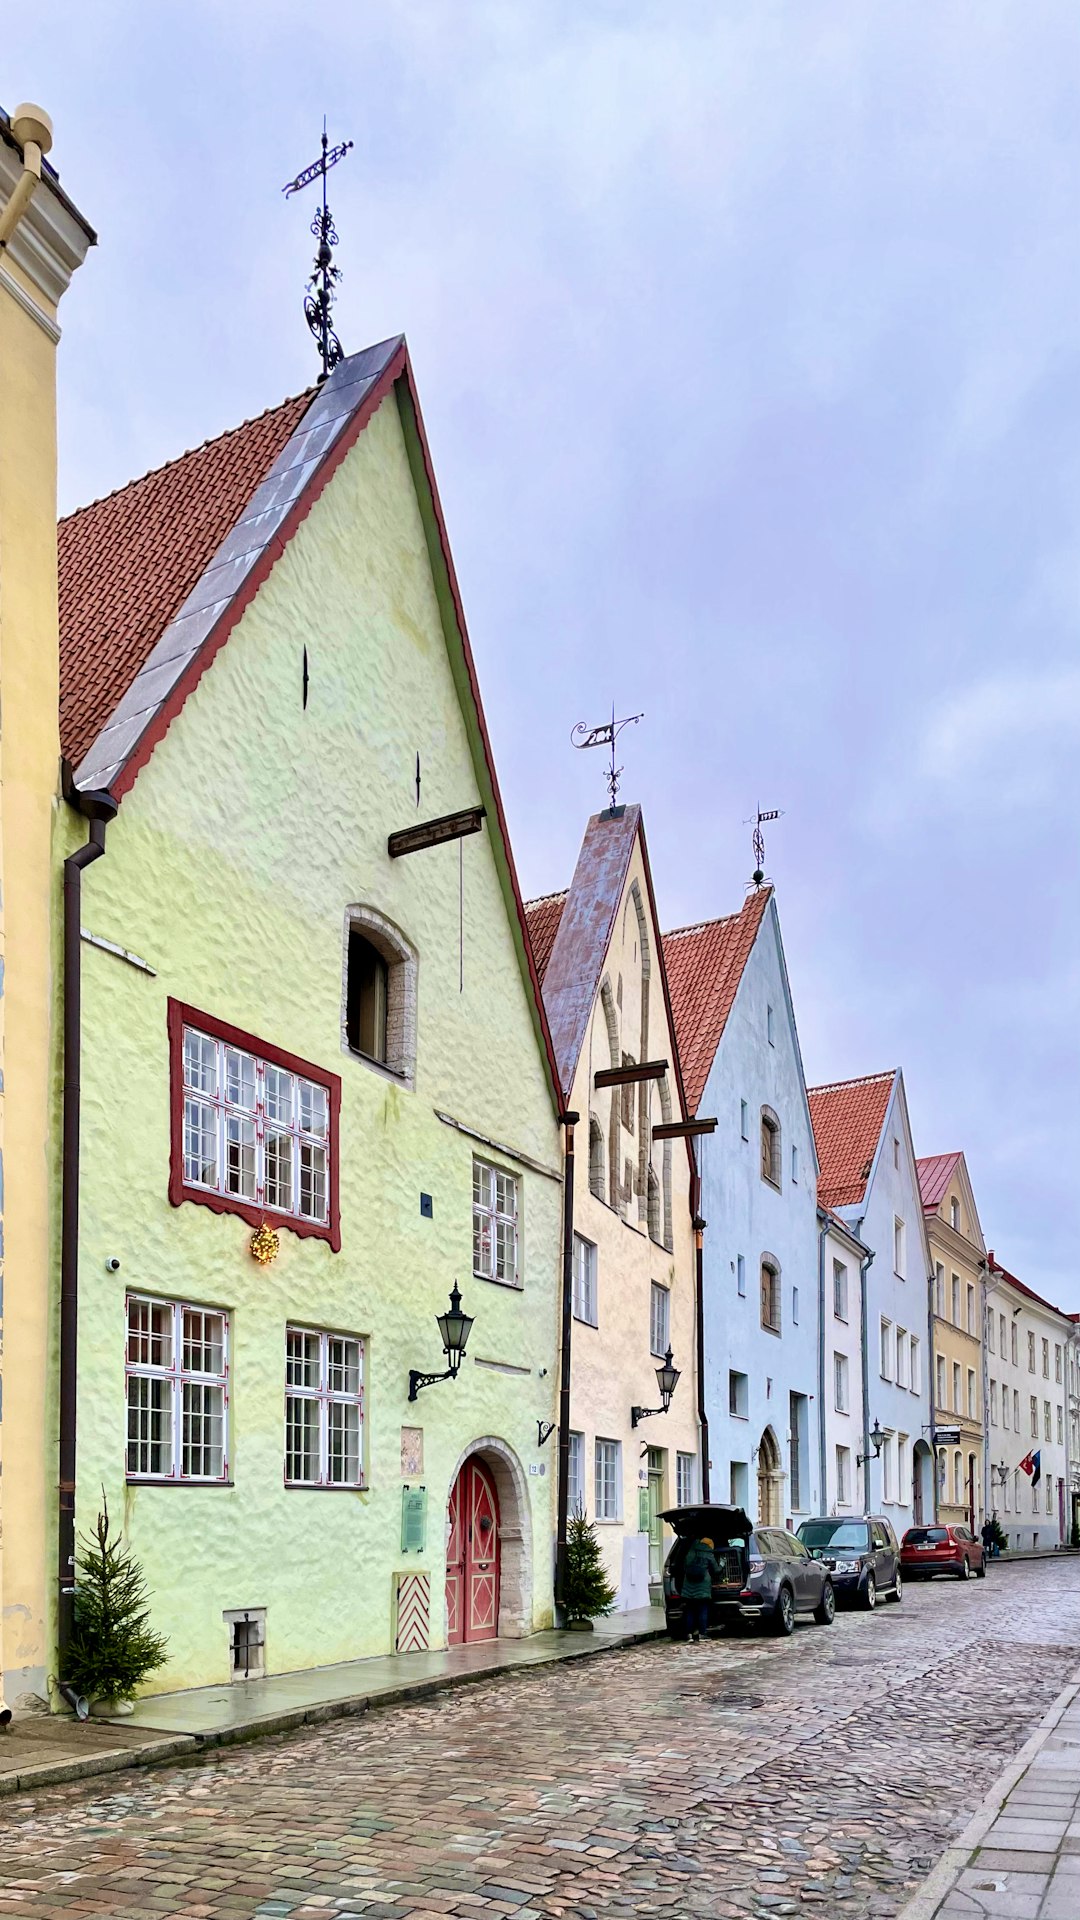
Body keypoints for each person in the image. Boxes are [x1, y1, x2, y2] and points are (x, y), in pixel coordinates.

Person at [680, 1535, 721, 1641]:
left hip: (688, 1584)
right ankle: (702, 1634)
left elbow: (685, 1565)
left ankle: (689, 1635)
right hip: (702, 1586)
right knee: (702, 1610)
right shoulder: (709, 1554)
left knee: (689, 1610)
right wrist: (722, 1564)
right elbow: (716, 1570)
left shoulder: (691, 1551)